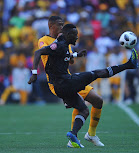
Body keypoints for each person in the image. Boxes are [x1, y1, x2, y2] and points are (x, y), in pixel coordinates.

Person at [28, 24, 138, 148]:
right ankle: (129, 65)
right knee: (98, 73)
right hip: (66, 82)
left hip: (61, 88)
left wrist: (76, 55)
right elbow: (38, 52)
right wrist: (34, 74)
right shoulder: (58, 45)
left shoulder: (63, 44)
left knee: (84, 110)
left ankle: (73, 135)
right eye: (75, 35)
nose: (77, 38)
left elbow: (63, 54)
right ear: (69, 35)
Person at [38, 16, 105, 147]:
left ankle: (91, 134)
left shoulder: (65, 41)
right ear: (51, 26)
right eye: (60, 25)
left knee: (98, 100)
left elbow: (71, 60)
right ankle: (73, 139)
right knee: (80, 106)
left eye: (63, 25)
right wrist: (59, 45)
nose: (62, 28)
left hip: (69, 78)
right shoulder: (43, 40)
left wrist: (75, 54)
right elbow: (46, 53)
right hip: (57, 82)